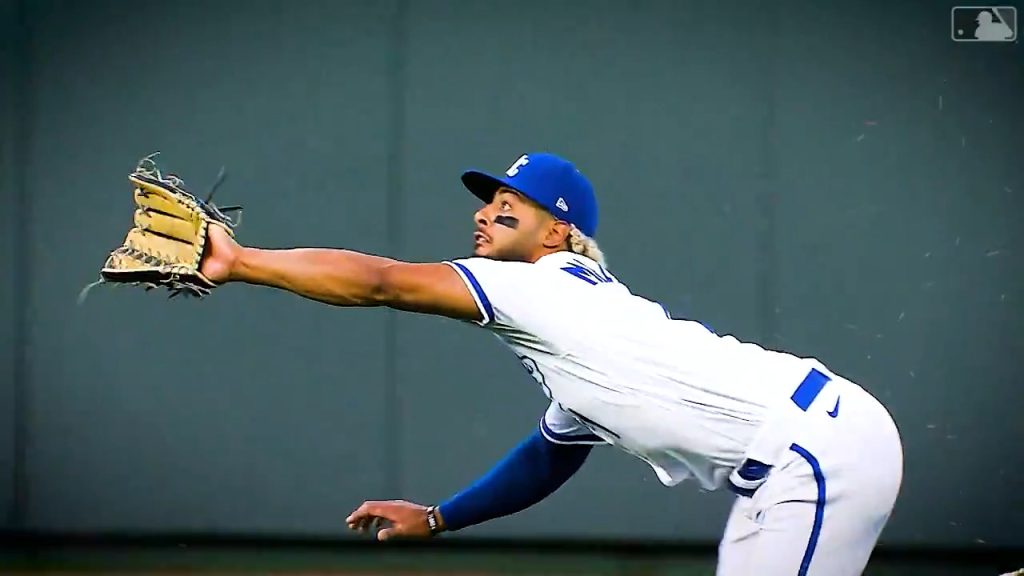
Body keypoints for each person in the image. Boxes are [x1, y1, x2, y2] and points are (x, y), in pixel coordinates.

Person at [198, 152, 904, 576]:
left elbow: (382, 281)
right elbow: (550, 454)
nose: (485, 216)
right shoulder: (572, 320)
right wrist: (440, 519)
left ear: (558, 232)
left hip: (812, 452)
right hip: (799, 456)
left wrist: (242, 261)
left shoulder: (535, 285)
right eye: (487, 204)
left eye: (510, 206)